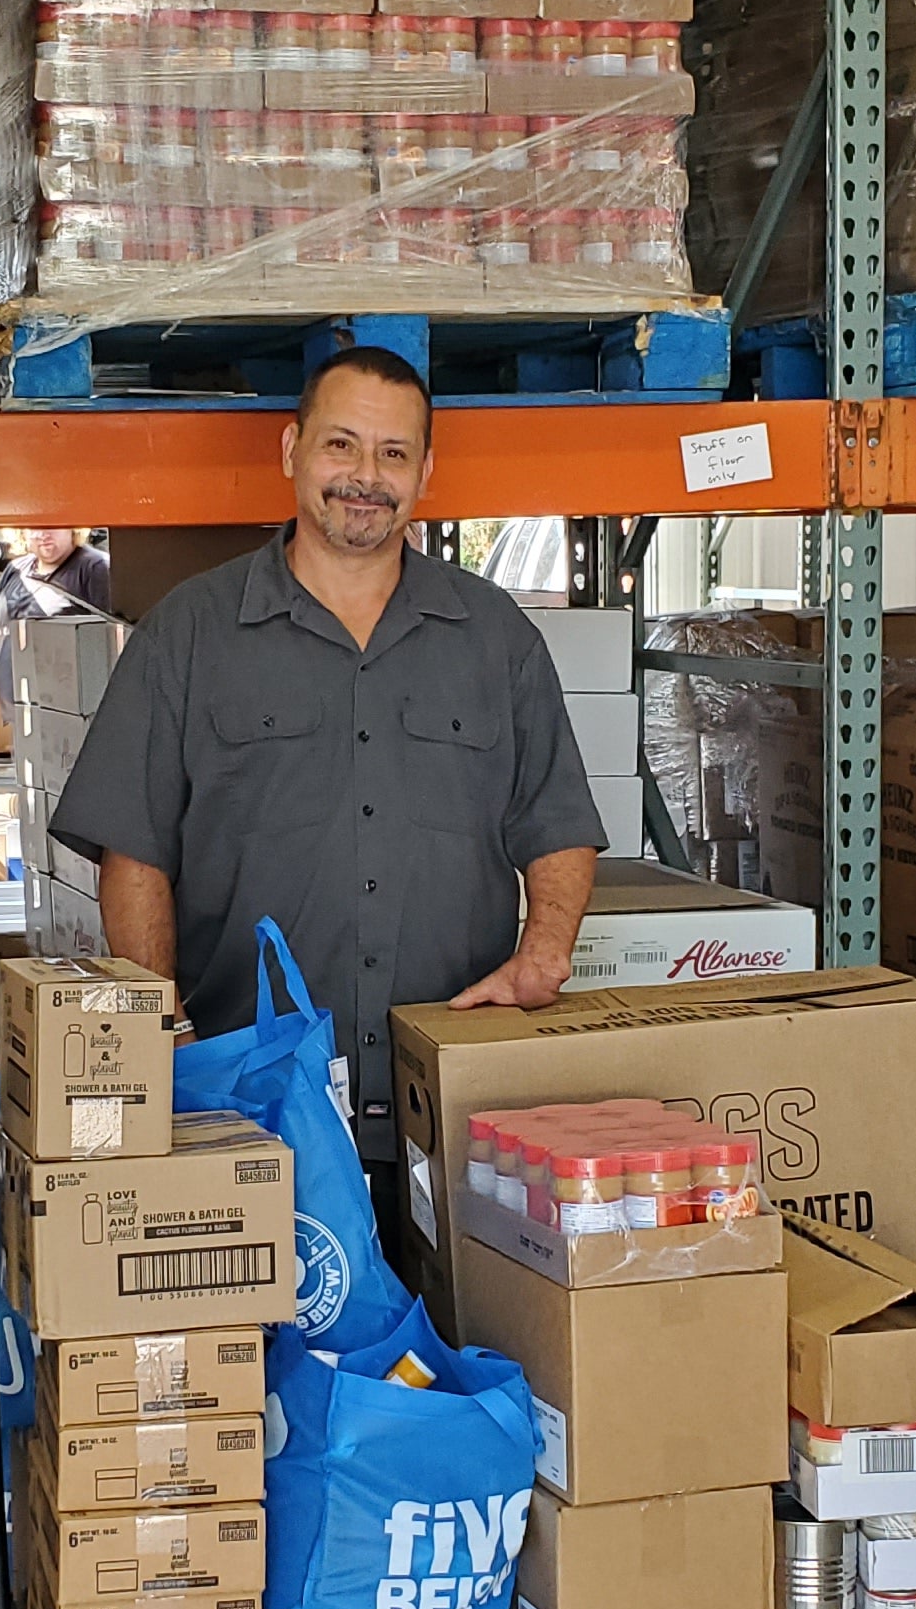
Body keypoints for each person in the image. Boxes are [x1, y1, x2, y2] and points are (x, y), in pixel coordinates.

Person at [47, 344, 603, 1206]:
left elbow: (557, 817)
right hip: (251, 1105)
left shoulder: (496, 637)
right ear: (290, 451)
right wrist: (169, 1035)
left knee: (455, 1343)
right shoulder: (190, 633)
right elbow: (133, 848)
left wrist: (546, 954)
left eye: (393, 454)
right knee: (263, 1343)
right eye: (341, 446)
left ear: (425, 471)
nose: (365, 478)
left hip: (455, 1110)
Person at [0, 524, 114, 753]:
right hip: (23, 717)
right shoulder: (15, 570)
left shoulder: (94, 568)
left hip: (74, 721)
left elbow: (114, 642)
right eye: (33, 528)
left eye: (52, 526)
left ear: (73, 528)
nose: (42, 534)